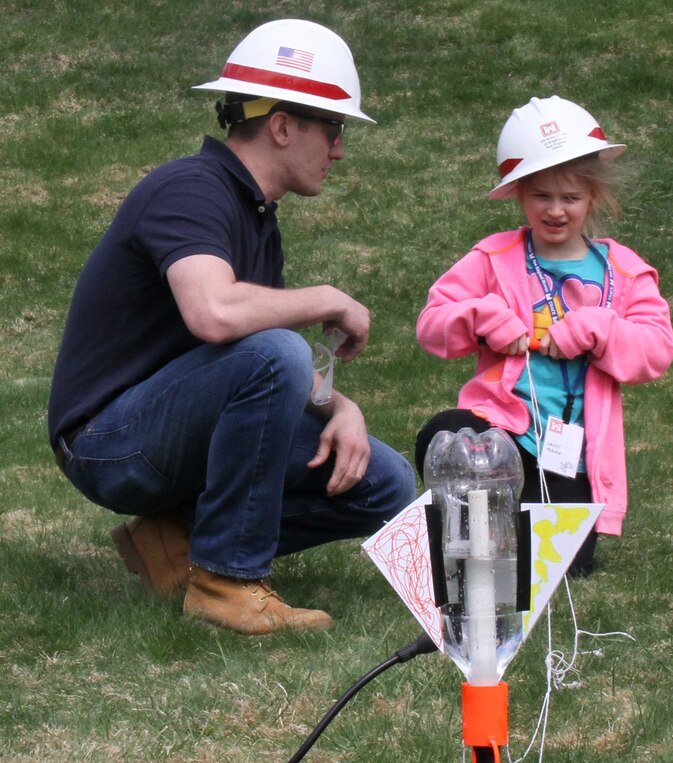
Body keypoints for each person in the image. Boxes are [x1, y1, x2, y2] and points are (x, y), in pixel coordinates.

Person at [47, 19, 416, 635]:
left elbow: (249, 367)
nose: (340, 149)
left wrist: (338, 407)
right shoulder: (190, 189)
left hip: (165, 429)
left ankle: (176, 543)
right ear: (281, 126)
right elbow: (215, 315)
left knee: (385, 483)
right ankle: (226, 581)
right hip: (108, 442)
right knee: (277, 351)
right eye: (334, 127)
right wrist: (325, 296)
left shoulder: (254, 215)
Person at [415, 96, 673, 576]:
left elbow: (656, 350)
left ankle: (497, 539)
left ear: (593, 196)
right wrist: (480, 315)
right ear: (518, 195)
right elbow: (432, 326)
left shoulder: (625, 271)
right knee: (448, 434)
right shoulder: (494, 258)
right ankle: (467, 543)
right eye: (541, 197)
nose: (556, 211)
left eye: (571, 198)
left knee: (559, 570)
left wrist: (599, 328)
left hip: (569, 453)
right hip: (503, 432)